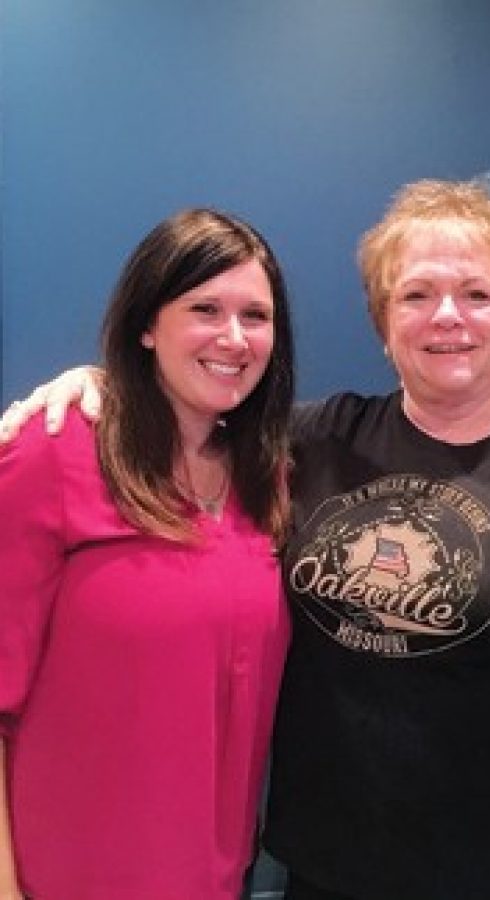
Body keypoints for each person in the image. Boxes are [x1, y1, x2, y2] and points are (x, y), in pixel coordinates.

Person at [0, 180, 490, 900]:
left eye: (477, 294)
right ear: (382, 320)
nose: (447, 318)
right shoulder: (304, 448)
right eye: (416, 295)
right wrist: (98, 380)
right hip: (327, 872)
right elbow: (181, 406)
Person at [0, 208, 295, 900]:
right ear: (145, 325)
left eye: (255, 315)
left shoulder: (271, 482)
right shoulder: (55, 449)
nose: (233, 337)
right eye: (204, 308)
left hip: (217, 880)